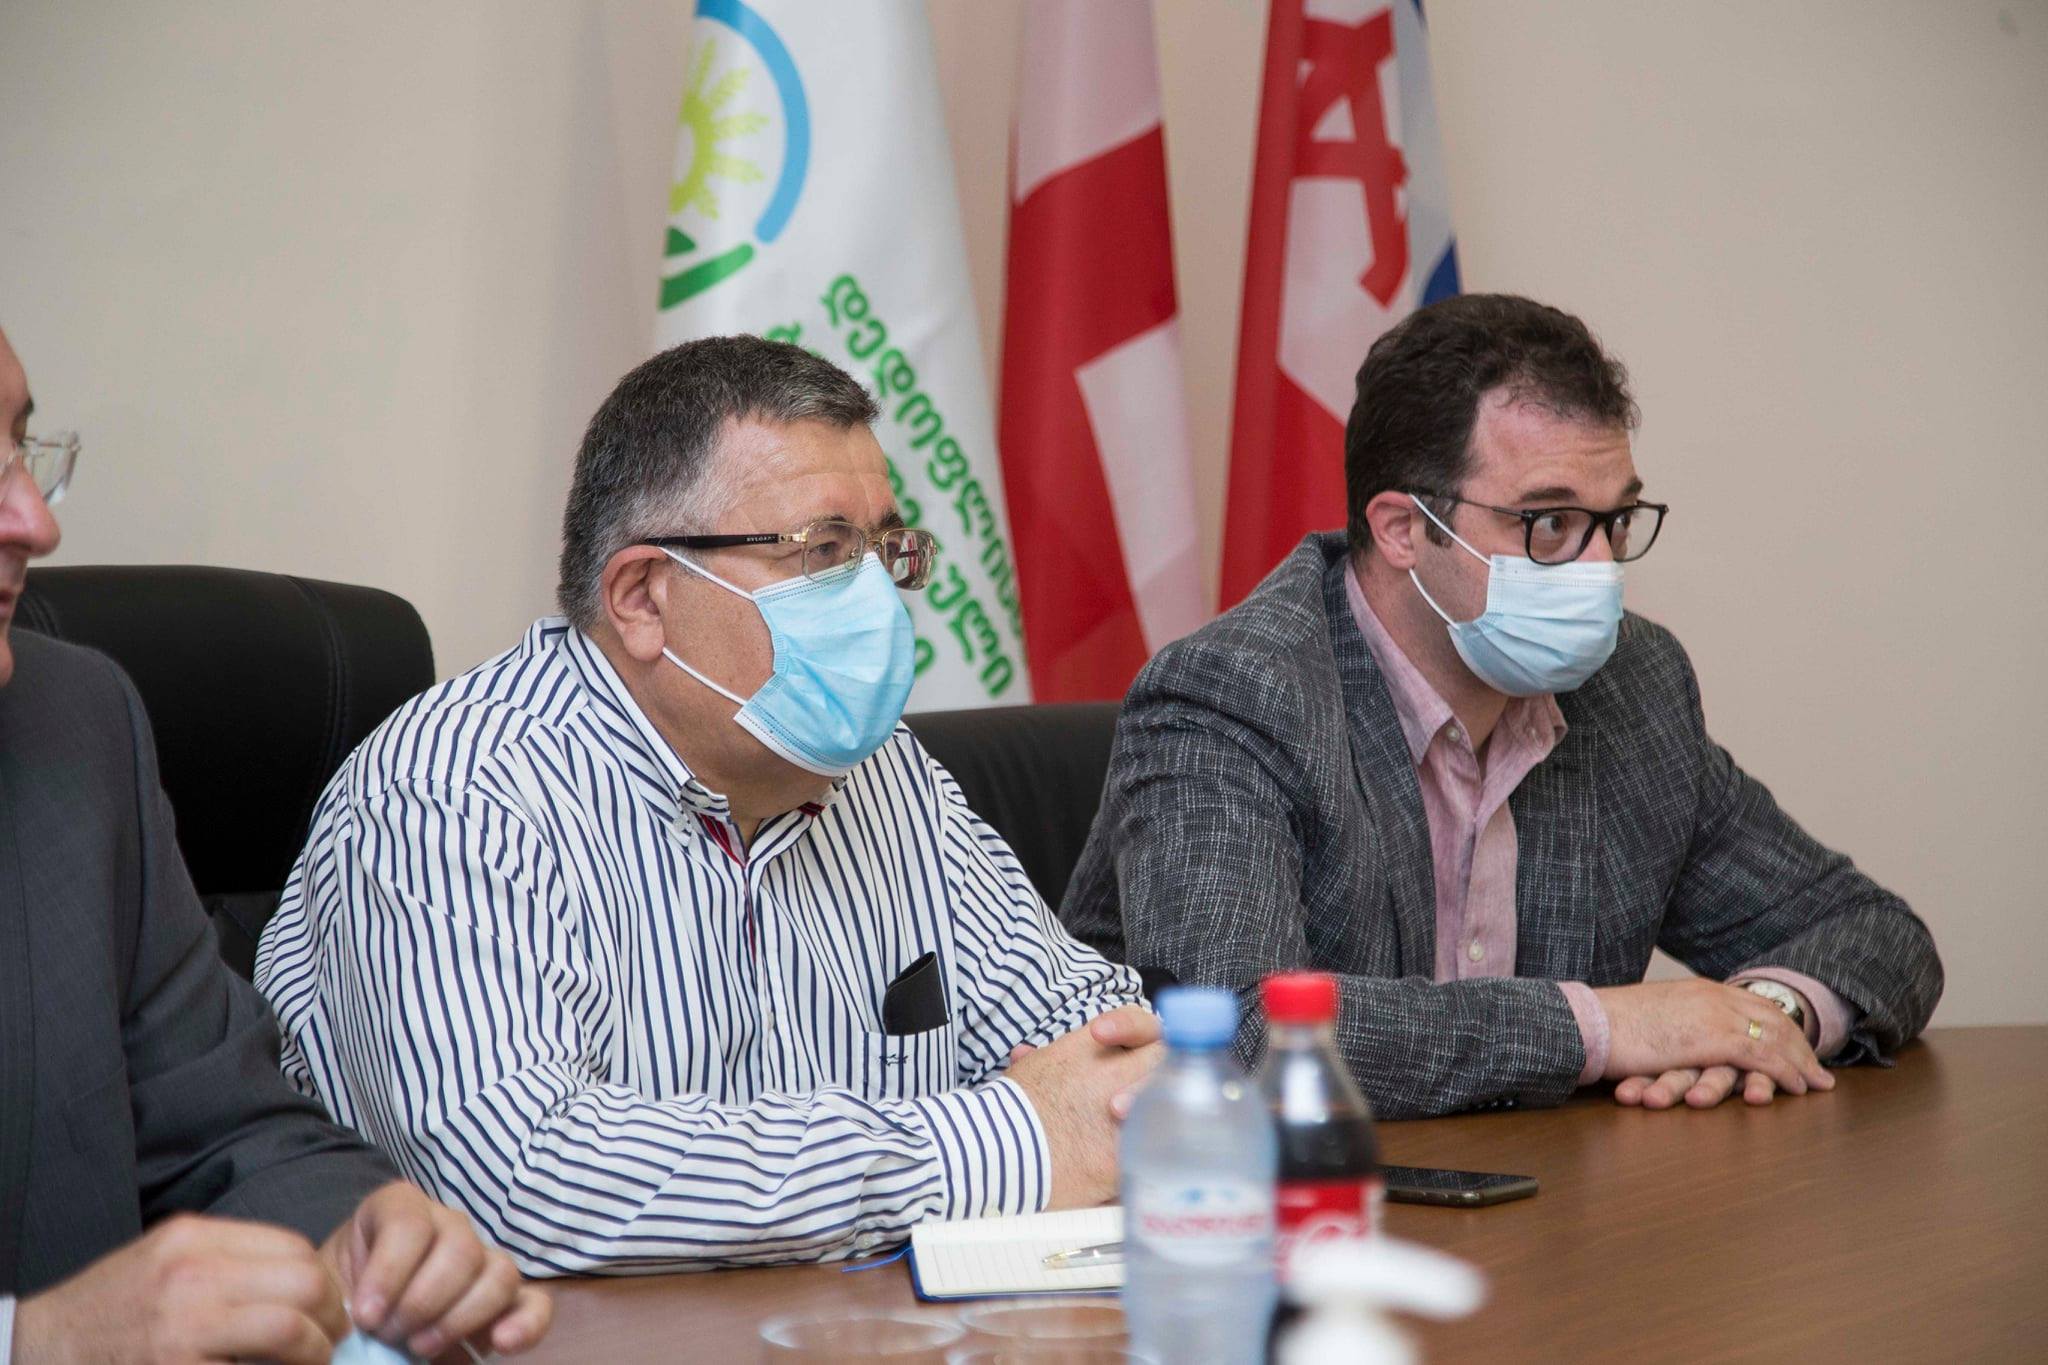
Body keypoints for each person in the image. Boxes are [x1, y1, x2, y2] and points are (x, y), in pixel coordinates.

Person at [255, 336, 1159, 1276]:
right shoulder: (451, 796)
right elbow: (526, 1183)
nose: (875, 600)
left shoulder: (886, 773)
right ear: (643, 598)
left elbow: (1105, 1057)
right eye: (822, 551)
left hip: (850, 1332)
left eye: (883, 551)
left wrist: (1089, 1110)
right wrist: (1001, 1143)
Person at [1063, 294, 1942, 1120]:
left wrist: (1760, 1018)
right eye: (1549, 524)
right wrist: (1607, 1027)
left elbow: (1868, 929)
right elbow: (1236, 1037)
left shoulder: (1632, 687)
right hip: (1253, 1206)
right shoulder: (1234, 696)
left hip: (1552, 1203)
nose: (1600, 569)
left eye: (1615, 520)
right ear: (1404, 529)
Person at [0, 324, 551, 1363]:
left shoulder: (76, 722)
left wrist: (364, 1236)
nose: (35, 520)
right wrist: (31, 1341)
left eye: (21, 450)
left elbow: (233, 1133)